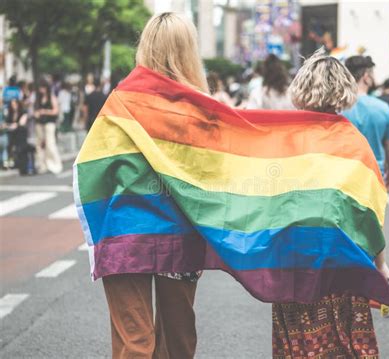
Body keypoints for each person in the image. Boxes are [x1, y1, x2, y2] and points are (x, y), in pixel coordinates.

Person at [100, 12, 209, 359]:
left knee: (134, 341)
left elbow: (96, 169)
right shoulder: (201, 109)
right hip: (179, 235)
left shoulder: (120, 102)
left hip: (125, 233)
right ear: (189, 50)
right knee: (177, 342)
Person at [272, 49, 389, 358]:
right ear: (344, 90)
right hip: (344, 254)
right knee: (345, 339)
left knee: (299, 340)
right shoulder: (352, 141)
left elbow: (271, 198)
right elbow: (370, 208)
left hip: (297, 255)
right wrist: (380, 263)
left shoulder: (286, 137)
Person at [343, 56, 389, 191]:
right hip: (373, 175)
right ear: (366, 77)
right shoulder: (383, 108)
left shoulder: (336, 107)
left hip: (343, 175)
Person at [34, 80, 63, 174]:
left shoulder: (52, 97)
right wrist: (37, 114)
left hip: (49, 122)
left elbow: (56, 111)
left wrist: (44, 111)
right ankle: (42, 165)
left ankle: (55, 164)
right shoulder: (38, 98)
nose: (41, 90)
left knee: (50, 144)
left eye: (43, 87)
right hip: (39, 123)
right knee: (39, 145)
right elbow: (34, 110)